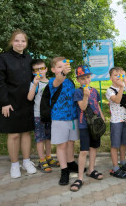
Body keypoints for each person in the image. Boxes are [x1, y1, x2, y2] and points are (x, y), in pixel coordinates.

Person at [0, 29, 37, 178]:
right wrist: (4, 102)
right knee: (13, 135)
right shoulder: (3, 58)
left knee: (26, 132)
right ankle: (14, 165)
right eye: (17, 40)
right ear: (11, 41)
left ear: (26, 43)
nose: (20, 43)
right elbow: (0, 82)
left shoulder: (29, 57)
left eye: (23, 41)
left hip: (26, 101)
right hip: (10, 102)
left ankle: (26, 161)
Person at [70, 65, 105, 192]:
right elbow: (83, 107)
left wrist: (102, 117)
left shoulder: (94, 91)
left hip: (95, 124)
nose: (86, 80)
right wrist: (85, 95)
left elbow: (97, 105)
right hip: (84, 124)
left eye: (88, 77)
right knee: (84, 151)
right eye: (83, 78)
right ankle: (79, 177)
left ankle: (91, 169)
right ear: (78, 80)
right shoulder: (78, 92)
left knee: (94, 147)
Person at [49, 57, 80, 185]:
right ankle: (64, 170)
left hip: (72, 118)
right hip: (59, 119)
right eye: (59, 67)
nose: (62, 69)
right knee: (62, 145)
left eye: (64, 66)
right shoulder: (53, 82)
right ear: (53, 69)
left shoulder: (70, 81)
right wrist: (62, 73)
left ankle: (71, 162)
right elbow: (58, 81)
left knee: (71, 142)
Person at [27, 59, 59, 173]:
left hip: (49, 115)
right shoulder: (34, 83)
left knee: (49, 137)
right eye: (36, 69)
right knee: (40, 138)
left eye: (42, 68)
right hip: (38, 115)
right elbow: (30, 98)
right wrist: (35, 83)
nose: (40, 71)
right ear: (33, 72)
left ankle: (49, 157)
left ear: (46, 69)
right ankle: (41, 160)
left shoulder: (51, 82)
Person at [106, 67, 126, 179]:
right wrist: (121, 86)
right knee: (115, 145)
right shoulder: (110, 90)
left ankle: (122, 163)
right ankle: (115, 167)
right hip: (116, 122)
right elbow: (117, 100)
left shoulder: (124, 86)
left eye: (120, 74)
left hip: (125, 120)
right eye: (115, 74)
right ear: (110, 78)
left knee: (123, 143)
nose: (118, 76)